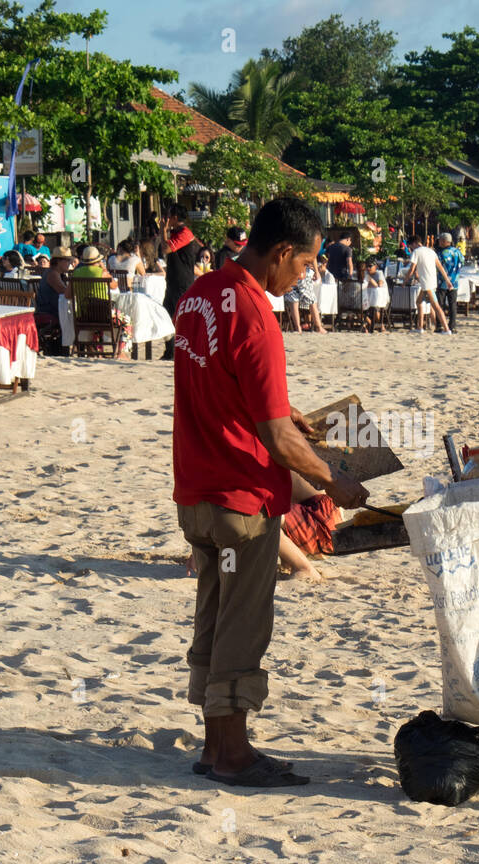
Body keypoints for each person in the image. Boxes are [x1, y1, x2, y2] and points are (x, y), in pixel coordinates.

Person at [172, 196, 369, 788]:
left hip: (196, 491)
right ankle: (231, 754)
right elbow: (279, 444)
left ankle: (214, 748)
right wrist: (339, 482)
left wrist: (285, 412)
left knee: (213, 611)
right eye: (305, 264)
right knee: (244, 621)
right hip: (240, 497)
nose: (305, 275)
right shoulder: (256, 316)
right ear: (282, 252)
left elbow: (221, 384)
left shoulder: (201, 293)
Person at [162, 204, 199, 359]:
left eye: (169, 216)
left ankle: (185, 351)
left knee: (181, 317)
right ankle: (171, 350)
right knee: (165, 314)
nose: (166, 219)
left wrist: (162, 230)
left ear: (175, 218)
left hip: (182, 281)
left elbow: (166, 249)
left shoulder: (184, 233)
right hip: (173, 280)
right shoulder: (175, 232)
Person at [405, 233, 451, 334]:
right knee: (419, 302)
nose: (411, 248)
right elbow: (440, 267)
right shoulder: (431, 251)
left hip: (427, 284)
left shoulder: (416, 252)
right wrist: (447, 280)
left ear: (414, 244)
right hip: (431, 282)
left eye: (410, 246)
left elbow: (411, 268)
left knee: (436, 306)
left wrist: (405, 280)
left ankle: (446, 329)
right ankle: (420, 327)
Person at [34, 252, 73, 355]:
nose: (70, 263)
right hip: (49, 312)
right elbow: (65, 293)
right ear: (59, 261)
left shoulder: (54, 273)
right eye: (67, 260)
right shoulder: (52, 274)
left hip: (51, 309)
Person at [282, 258, 324, 333]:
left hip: (290, 271)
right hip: (303, 271)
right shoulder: (305, 246)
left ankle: (298, 327)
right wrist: (316, 271)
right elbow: (313, 256)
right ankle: (319, 327)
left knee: (293, 300)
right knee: (311, 299)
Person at [436, 231, 464, 332]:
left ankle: (439, 325)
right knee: (452, 305)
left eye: (440, 240)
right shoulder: (457, 252)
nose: (439, 242)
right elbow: (462, 262)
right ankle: (452, 326)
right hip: (455, 282)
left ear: (444, 241)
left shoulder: (440, 253)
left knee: (440, 304)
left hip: (442, 282)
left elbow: (438, 266)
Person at [362, 257, 388, 332]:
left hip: (381, 298)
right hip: (368, 297)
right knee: (360, 309)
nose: (368, 268)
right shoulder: (366, 273)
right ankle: (371, 324)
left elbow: (380, 284)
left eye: (370, 266)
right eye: (366, 266)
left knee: (376, 310)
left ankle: (380, 325)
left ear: (375, 267)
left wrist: (370, 280)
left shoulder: (379, 273)